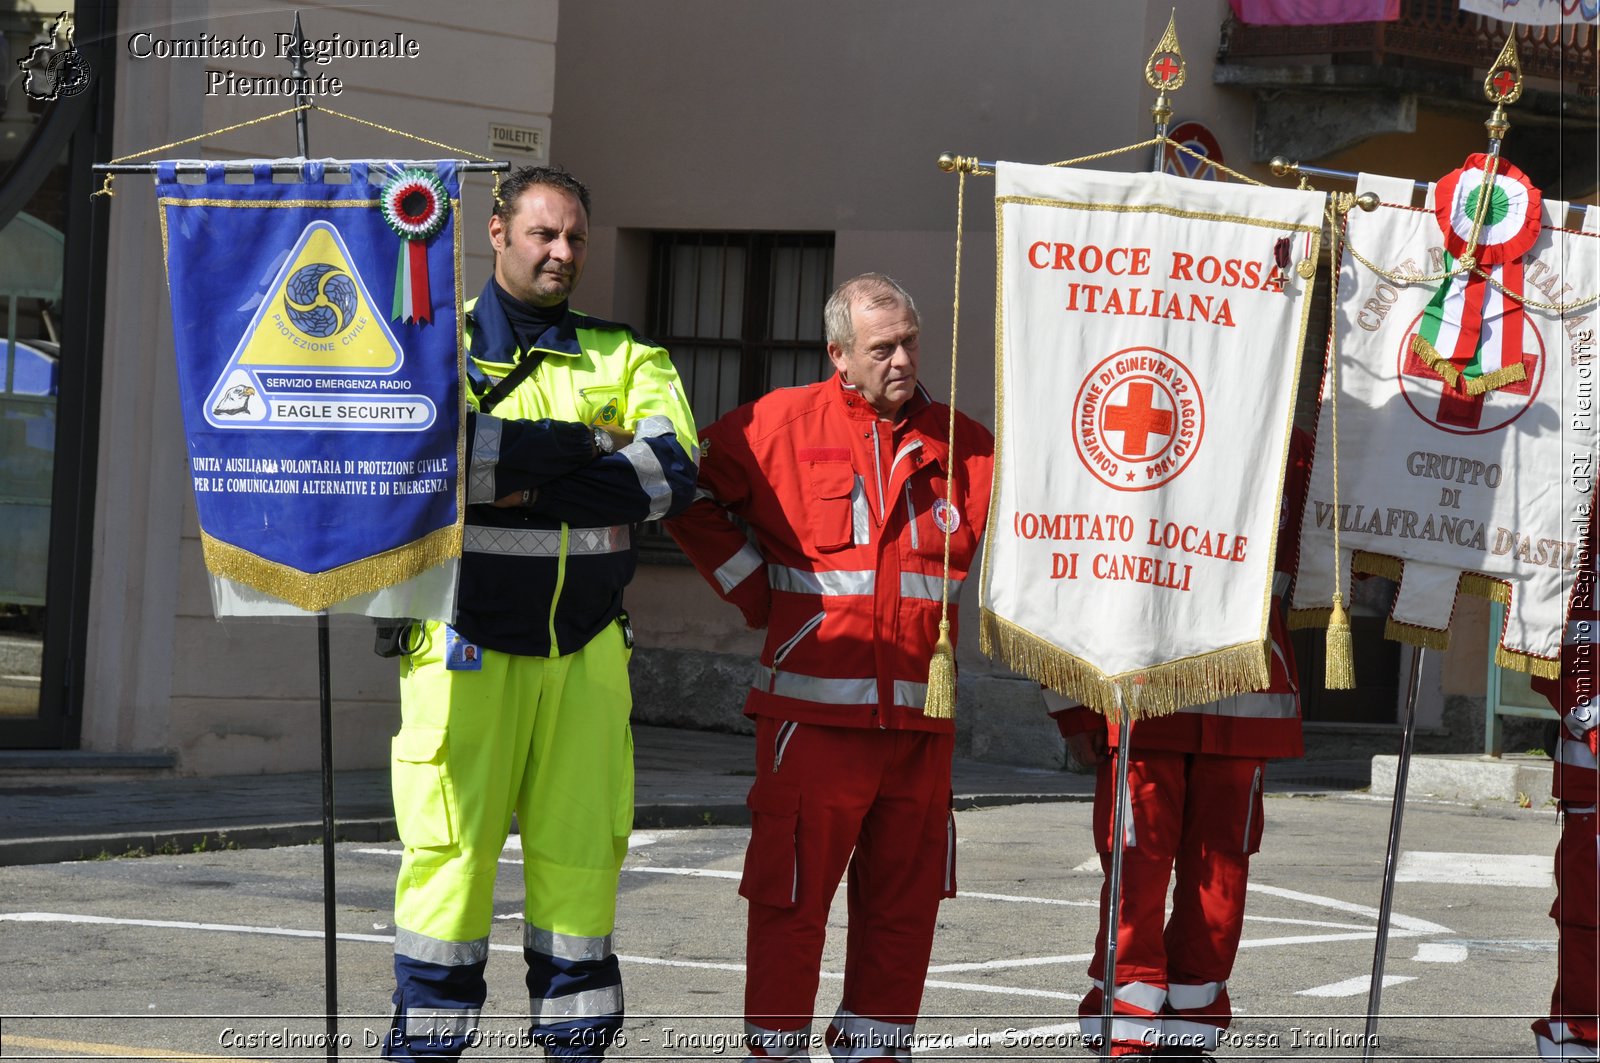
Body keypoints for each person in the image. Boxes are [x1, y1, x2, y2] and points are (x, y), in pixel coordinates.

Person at [383, 165, 698, 1061]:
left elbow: (667, 479)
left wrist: (510, 474)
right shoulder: (429, 348)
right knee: (447, 874)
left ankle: (576, 1049)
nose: (562, 252)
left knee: (583, 874)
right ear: (496, 232)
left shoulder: (624, 353)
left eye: (575, 239)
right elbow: (430, 465)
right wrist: (584, 447)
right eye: (543, 235)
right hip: (460, 644)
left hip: (588, 652)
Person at [665, 273, 994, 1062]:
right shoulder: (776, 424)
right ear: (839, 354)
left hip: (920, 726)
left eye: (912, 340)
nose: (904, 359)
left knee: (904, 910)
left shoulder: (967, 444)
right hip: (812, 725)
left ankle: (875, 1051)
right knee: (790, 903)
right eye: (884, 347)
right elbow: (682, 494)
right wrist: (761, 597)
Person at [1045, 428, 1313, 1061]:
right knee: (1135, 871)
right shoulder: (1142, 414)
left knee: (1221, 875)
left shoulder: (1293, 443)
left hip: (1240, 698)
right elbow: (1070, 562)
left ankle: (1192, 1025)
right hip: (1143, 690)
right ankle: (1128, 1026)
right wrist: (1075, 705)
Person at [1530, 517, 1597, 1062]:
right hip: (1593, 764)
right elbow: (1547, 635)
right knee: (1589, 916)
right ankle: (1579, 1041)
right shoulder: (1580, 507)